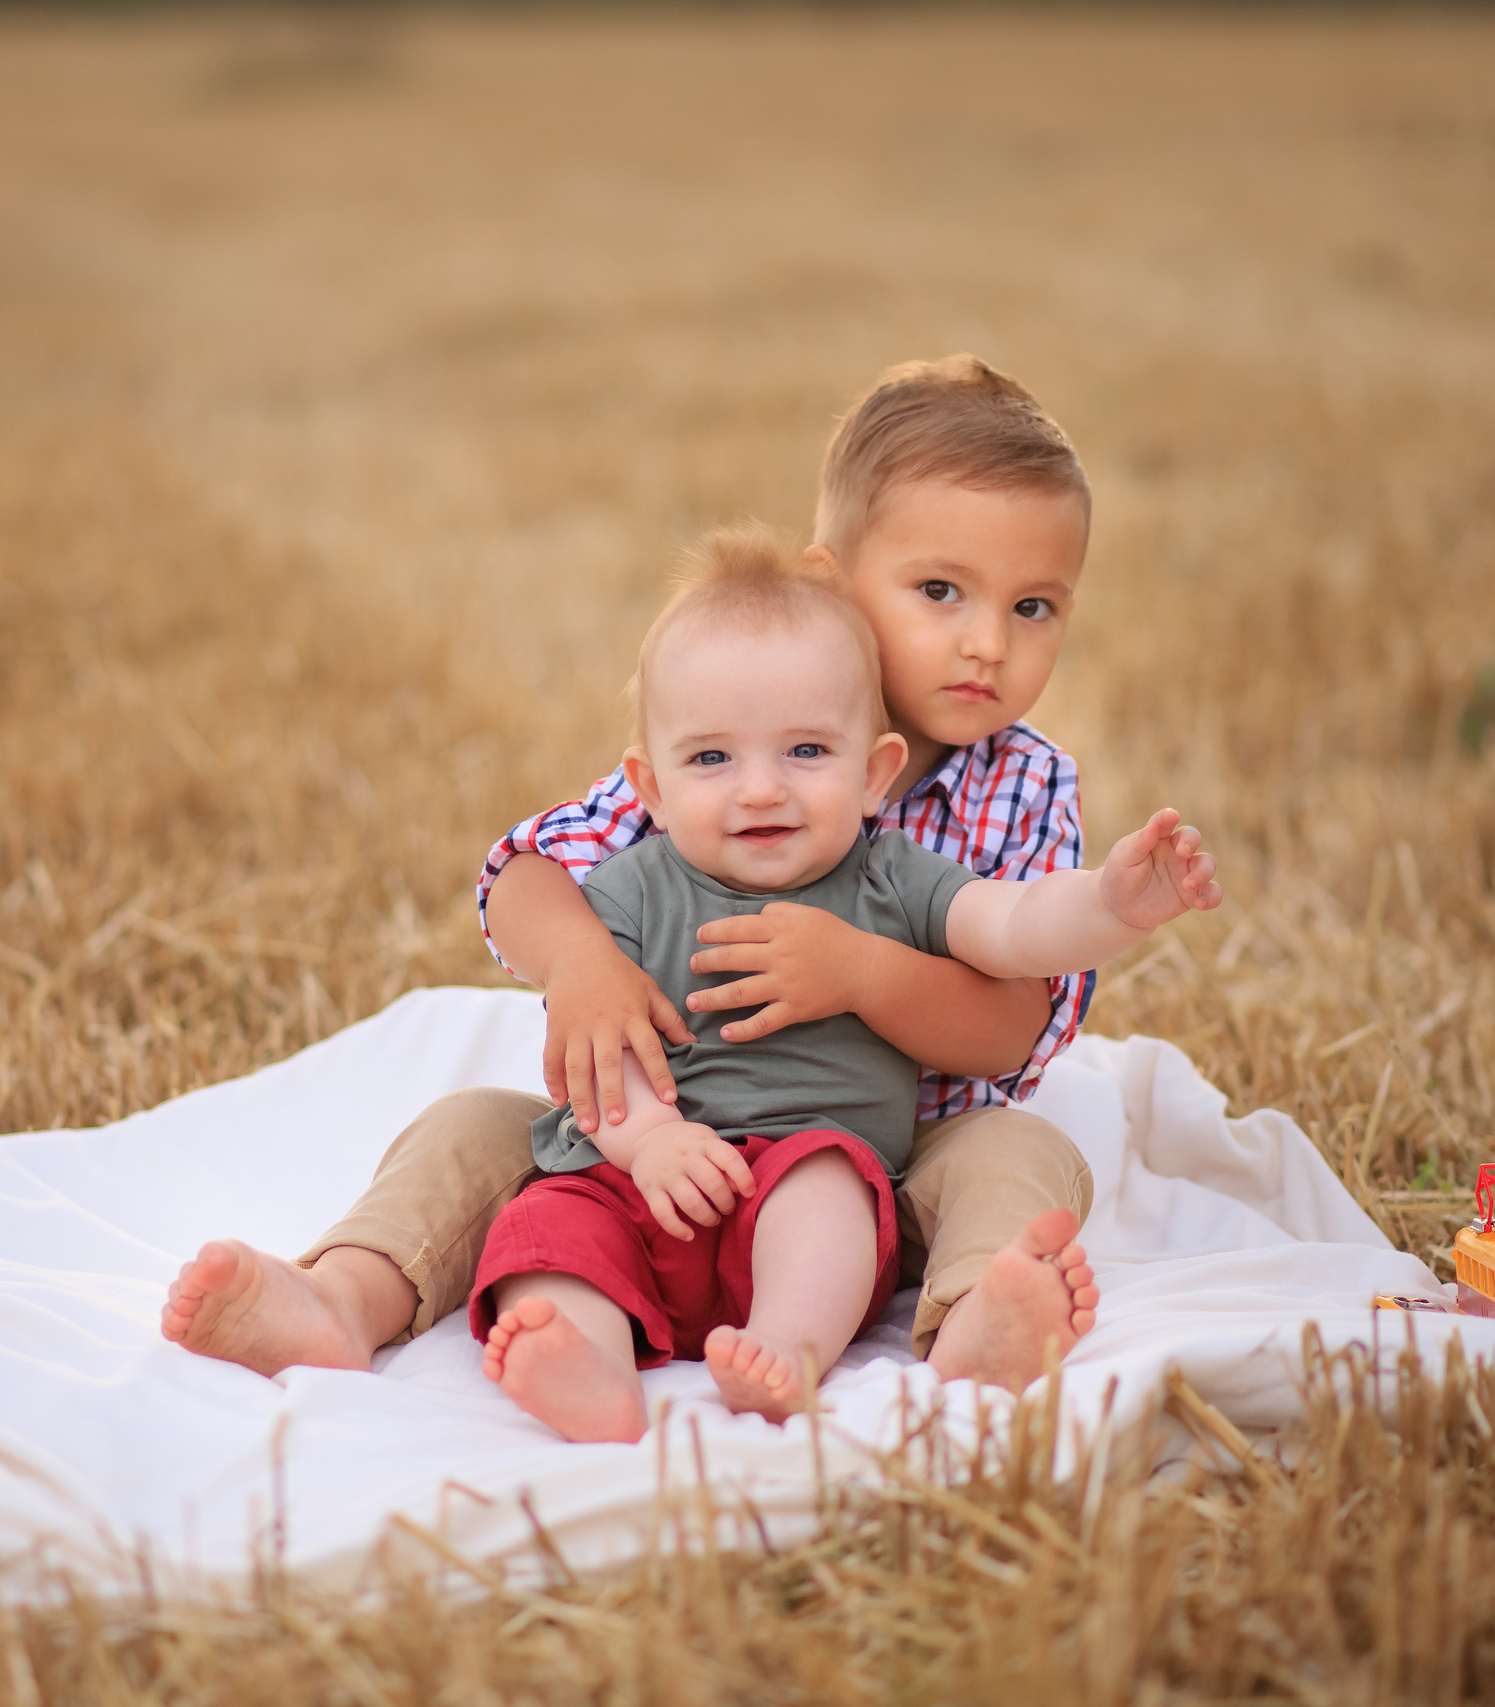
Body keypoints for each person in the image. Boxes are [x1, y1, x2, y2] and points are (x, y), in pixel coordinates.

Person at [165, 355, 1137, 1395]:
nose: (985, 643)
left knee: (1016, 1151)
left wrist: (859, 974)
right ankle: (343, 1299)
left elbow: (1011, 1025)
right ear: (830, 581)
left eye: (1034, 607)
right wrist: (582, 965)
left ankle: (977, 1316)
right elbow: (527, 873)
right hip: (648, 1144)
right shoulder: (741, 728)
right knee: (472, 1130)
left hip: (884, 1164)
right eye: (939, 591)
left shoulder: (1024, 783)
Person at [467, 526, 1216, 1441]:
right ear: (650, 788)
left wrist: (1111, 902)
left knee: (828, 1186)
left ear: (873, 775)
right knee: (551, 1231)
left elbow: (1015, 926)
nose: (758, 791)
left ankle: (786, 1348)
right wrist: (653, 1139)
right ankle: (585, 1360)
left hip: (802, 1172)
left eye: (805, 754)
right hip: (637, 1178)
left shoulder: (889, 877)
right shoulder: (630, 885)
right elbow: (598, 1044)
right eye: (712, 759)